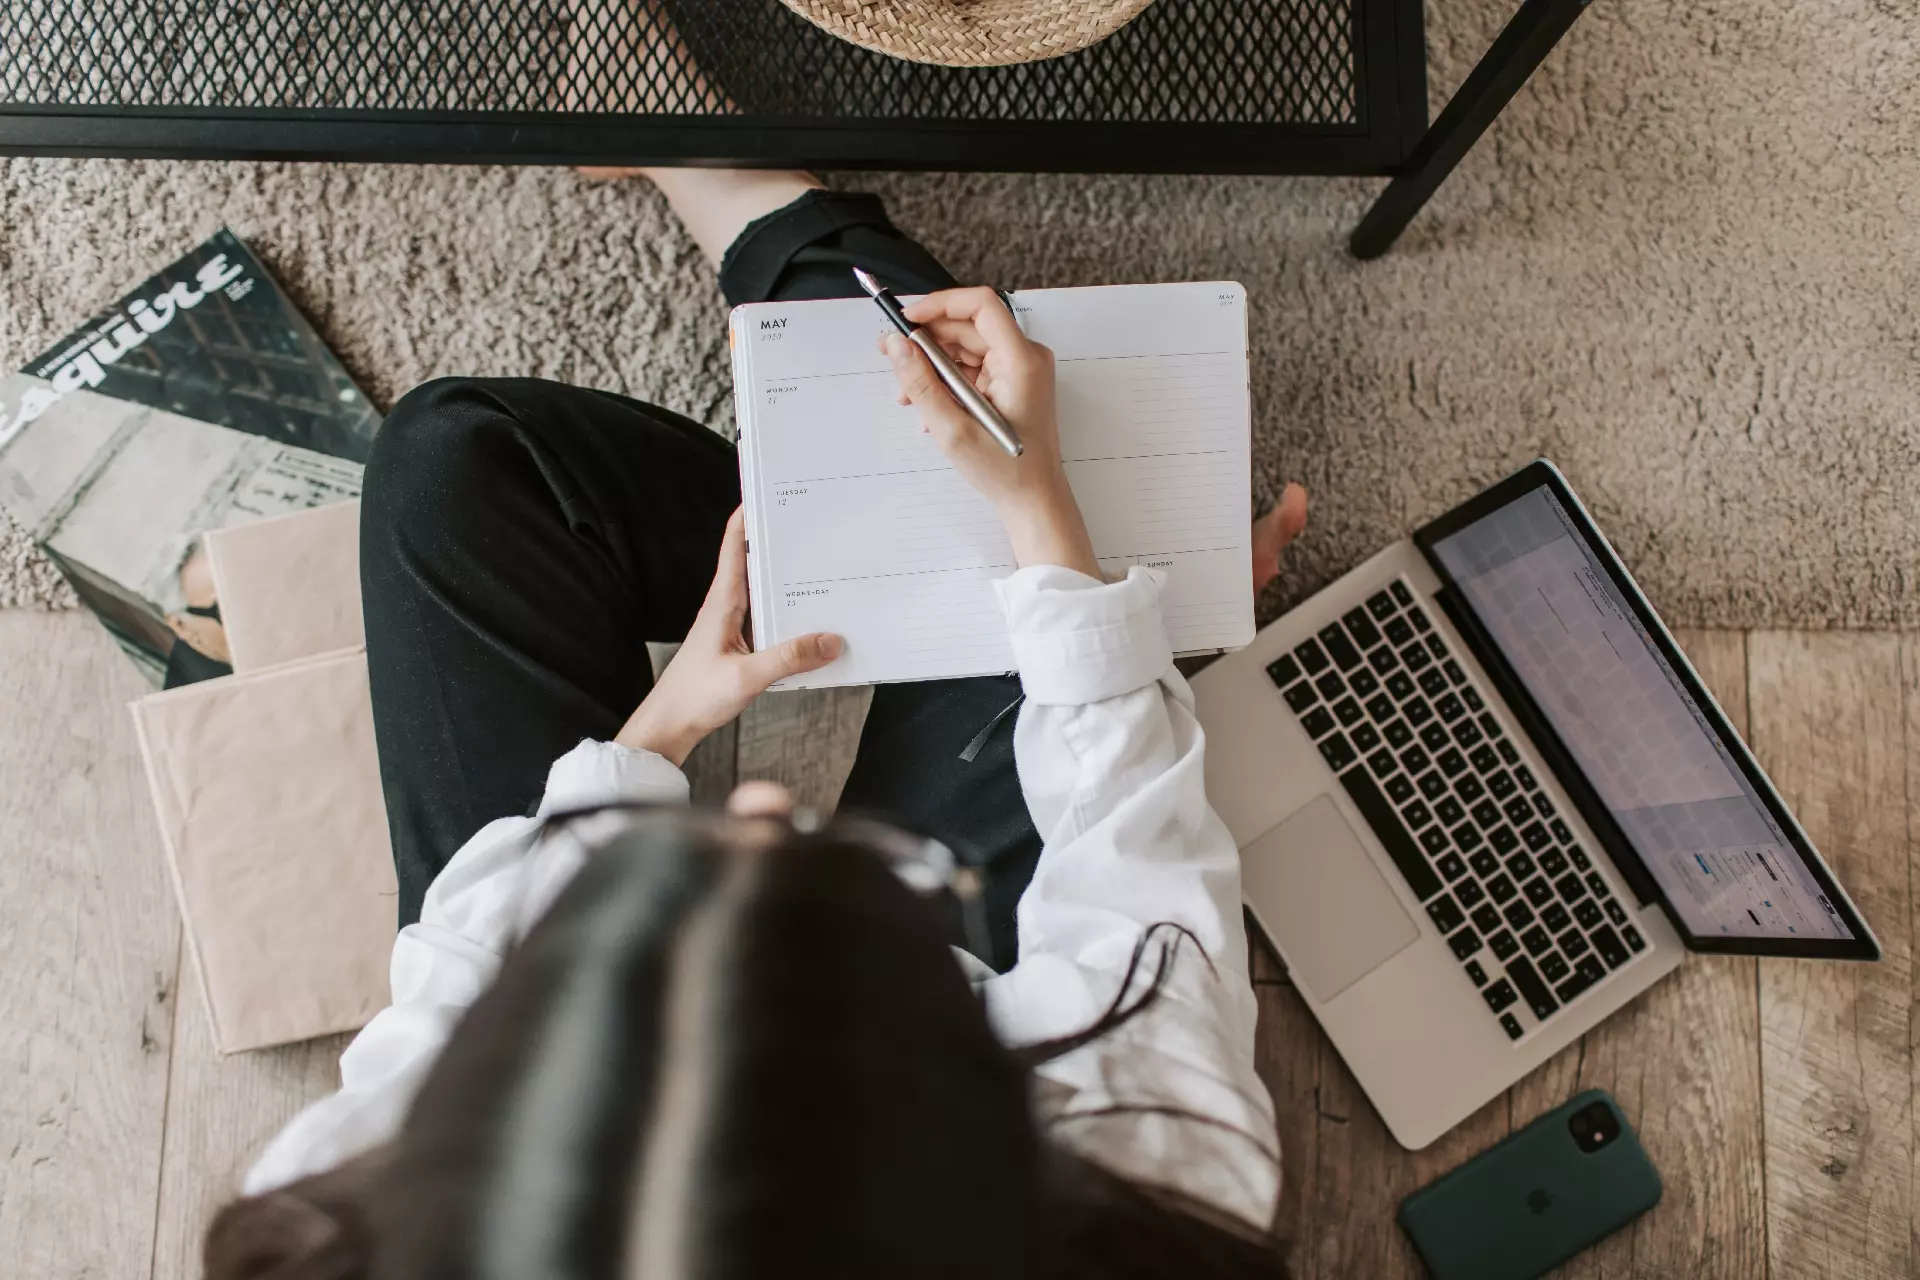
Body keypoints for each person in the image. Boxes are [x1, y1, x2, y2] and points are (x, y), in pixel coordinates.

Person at [201, 164, 1311, 1278]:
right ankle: (755, 205)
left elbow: (457, 977)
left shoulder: (344, 1224)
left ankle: (786, 275)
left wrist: (656, 734)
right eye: (848, 886)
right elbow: (1135, 869)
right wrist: (1059, 534)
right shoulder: (1155, 1188)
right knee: (1080, 562)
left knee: (458, 458)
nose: (768, 799)